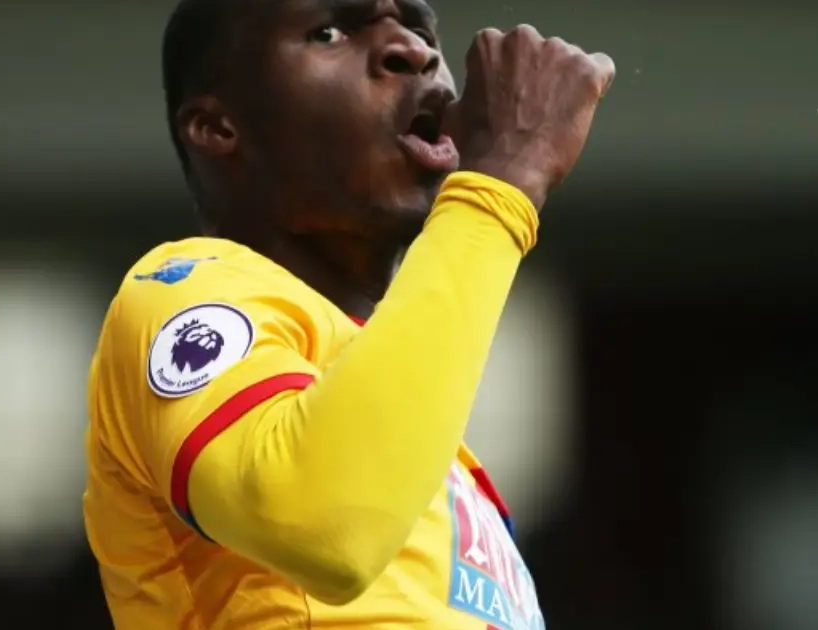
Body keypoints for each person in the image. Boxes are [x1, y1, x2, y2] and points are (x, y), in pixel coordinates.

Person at [82, 0, 615, 628]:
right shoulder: (183, 290)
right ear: (217, 127)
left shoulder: (433, 451)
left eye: (419, 30)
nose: (412, 51)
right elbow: (323, 529)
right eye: (330, 32)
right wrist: (501, 185)